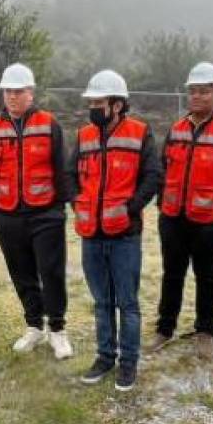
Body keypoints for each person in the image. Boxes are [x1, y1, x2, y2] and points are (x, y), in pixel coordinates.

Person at [68, 70, 161, 390]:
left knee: (127, 302)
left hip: (124, 235)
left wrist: (130, 208)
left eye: (98, 102)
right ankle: (105, 356)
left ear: (117, 104)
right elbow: (69, 176)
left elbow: (153, 176)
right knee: (101, 301)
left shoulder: (140, 133)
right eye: (91, 102)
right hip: (91, 235)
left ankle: (128, 362)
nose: (92, 107)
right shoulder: (83, 136)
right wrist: (77, 204)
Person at [151, 62, 213, 359]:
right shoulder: (176, 129)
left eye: (204, 91)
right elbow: (162, 168)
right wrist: (162, 206)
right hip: (173, 219)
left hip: (208, 222)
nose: (197, 96)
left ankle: (204, 331)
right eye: (193, 91)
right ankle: (164, 328)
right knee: (172, 275)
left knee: (207, 276)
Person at [0, 63, 74, 359]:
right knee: (22, 274)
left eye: (18, 91)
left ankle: (57, 330)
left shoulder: (49, 124)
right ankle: (34, 326)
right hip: (8, 216)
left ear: (30, 93)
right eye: (7, 91)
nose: (12, 96)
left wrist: (59, 208)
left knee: (52, 273)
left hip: (46, 213)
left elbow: (62, 169)